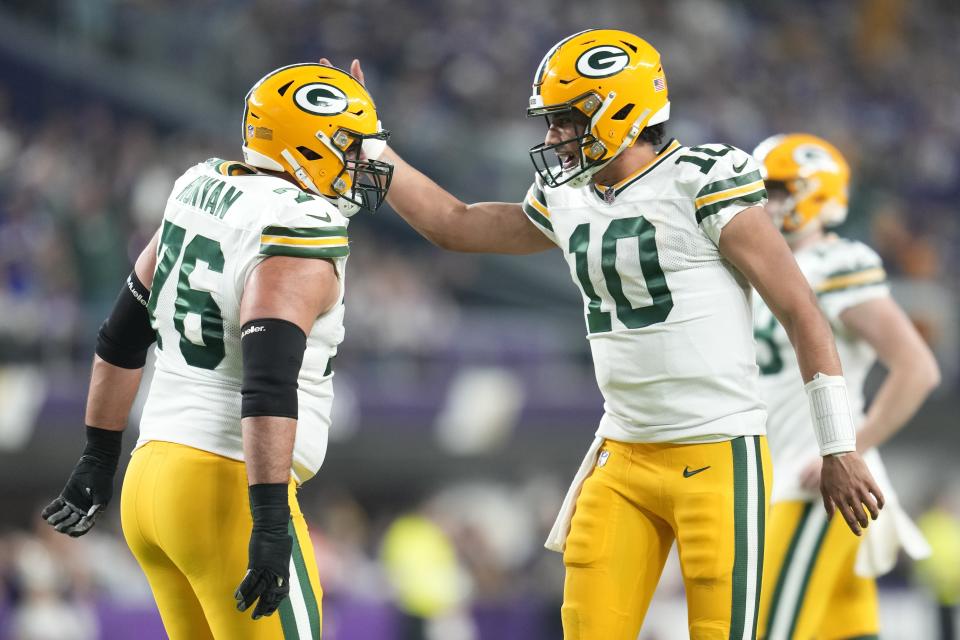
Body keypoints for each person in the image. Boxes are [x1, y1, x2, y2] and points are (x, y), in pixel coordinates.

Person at [325, 28, 883, 639]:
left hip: (719, 453)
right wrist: (374, 150)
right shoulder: (569, 196)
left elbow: (803, 311)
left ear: (620, 111)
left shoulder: (702, 180)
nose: (552, 138)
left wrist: (838, 445)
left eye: (565, 120)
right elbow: (456, 224)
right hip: (623, 452)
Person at [41, 62, 393, 639]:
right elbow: (267, 386)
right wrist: (271, 520)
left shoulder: (200, 187)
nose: (363, 164)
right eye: (351, 146)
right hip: (223, 489)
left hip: (150, 480)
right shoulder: (298, 227)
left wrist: (98, 457)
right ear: (310, 148)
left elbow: (122, 334)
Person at [751, 133, 940, 640]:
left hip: (816, 485)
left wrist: (848, 449)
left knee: (765, 630)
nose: (766, 202)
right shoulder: (761, 265)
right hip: (790, 479)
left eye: (778, 189)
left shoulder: (836, 262)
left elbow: (917, 368)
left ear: (817, 192)